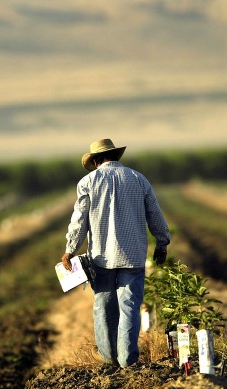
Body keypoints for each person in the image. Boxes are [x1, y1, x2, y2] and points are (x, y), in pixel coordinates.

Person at [61, 138, 171, 368]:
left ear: (95, 161)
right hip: (133, 255)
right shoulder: (138, 179)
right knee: (130, 307)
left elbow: (79, 220)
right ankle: (127, 361)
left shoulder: (87, 182)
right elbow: (155, 214)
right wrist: (162, 243)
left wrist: (70, 250)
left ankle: (109, 358)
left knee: (103, 307)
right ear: (114, 157)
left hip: (101, 257)